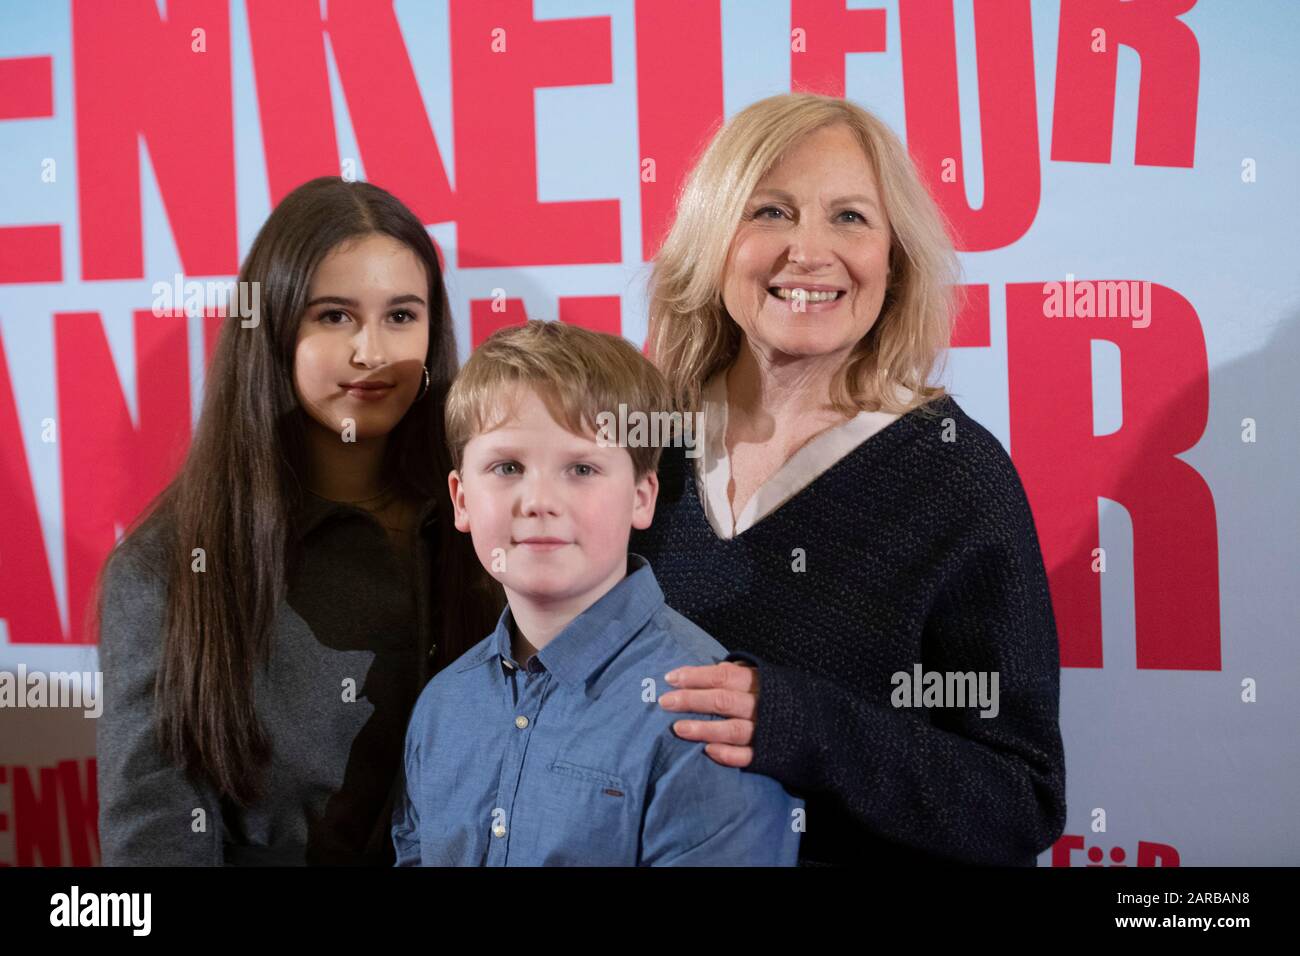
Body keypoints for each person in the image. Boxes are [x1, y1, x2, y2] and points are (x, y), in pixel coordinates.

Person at [630, 92, 1067, 866]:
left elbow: (1018, 800)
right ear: (712, 239)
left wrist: (807, 726)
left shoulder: (955, 474)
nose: (808, 251)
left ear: (894, 257)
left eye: (850, 218)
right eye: (769, 211)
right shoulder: (645, 447)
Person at [94, 177, 503, 865]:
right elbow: (153, 845)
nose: (371, 352)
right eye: (334, 316)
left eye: (401, 316)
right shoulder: (165, 570)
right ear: (274, 327)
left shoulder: (493, 530)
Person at [391, 319, 802, 866]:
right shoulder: (443, 706)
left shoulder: (705, 712)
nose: (539, 501)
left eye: (581, 468)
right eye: (507, 467)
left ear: (641, 496)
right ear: (462, 499)